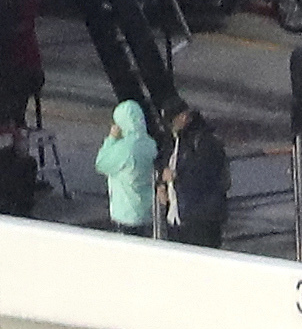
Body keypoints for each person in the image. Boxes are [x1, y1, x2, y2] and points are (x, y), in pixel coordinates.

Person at [161, 102, 231, 249]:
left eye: (172, 121)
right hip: (178, 216)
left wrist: (177, 176)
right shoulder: (176, 140)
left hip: (201, 219)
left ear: (184, 116)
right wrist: (161, 184)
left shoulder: (205, 141)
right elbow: (164, 162)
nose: (170, 127)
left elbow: (207, 176)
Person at [94, 99, 155, 236]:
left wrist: (111, 138)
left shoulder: (124, 148)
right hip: (147, 212)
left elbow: (101, 163)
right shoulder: (150, 144)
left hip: (126, 213)